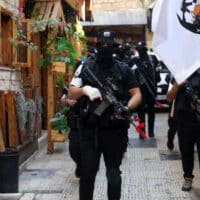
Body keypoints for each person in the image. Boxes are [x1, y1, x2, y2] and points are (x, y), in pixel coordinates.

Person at [68, 29, 142, 200]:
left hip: (115, 131)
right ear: (98, 45)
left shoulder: (124, 69)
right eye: (103, 45)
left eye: (109, 45)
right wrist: (85, 90)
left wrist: (127, 108)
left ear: (114, 47)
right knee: (87, 175)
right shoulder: (85, 67)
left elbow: (137, 94)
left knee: (114, 175)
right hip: (90, 131)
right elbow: (71, 93)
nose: (106, 48)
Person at [167, 68, 200, 191]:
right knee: (186, 151)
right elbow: (169, 98)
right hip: (184, 120)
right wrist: (177, 84)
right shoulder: (179, 73)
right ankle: (187, 177)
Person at [131, 41, 161, 138]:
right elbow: (132, 75)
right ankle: (142, 132)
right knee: (141, 112)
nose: (140, 51)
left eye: (142, 49)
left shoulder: (153, 59)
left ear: (145, 50)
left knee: (151, 111)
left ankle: (151, 132)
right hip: (141, 90)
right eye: (139, 50)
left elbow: (157, 75)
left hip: (151, 90)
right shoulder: (135, 60)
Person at [60, 86, 81, 178]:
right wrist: (68, 101)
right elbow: (62, 100)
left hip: (89, 125)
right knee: (73, 150)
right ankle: (79, 164)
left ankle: (85, 168)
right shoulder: (70, 87)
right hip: (75, 126)